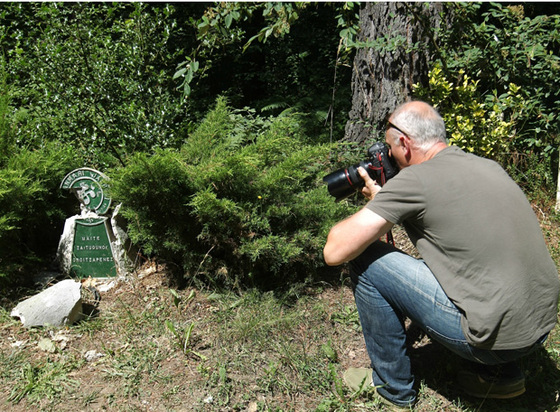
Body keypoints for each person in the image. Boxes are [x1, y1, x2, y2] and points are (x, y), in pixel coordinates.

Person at [323, 100, 560, 410]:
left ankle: (392, 388)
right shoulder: (486, 165)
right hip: (539, 328)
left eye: (388, 147)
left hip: (491, 341)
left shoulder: (413, 181)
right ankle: (501, 377)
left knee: (365, 259)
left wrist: (376, 203)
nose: (388, 154)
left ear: (404, 143)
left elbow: (335, 251)